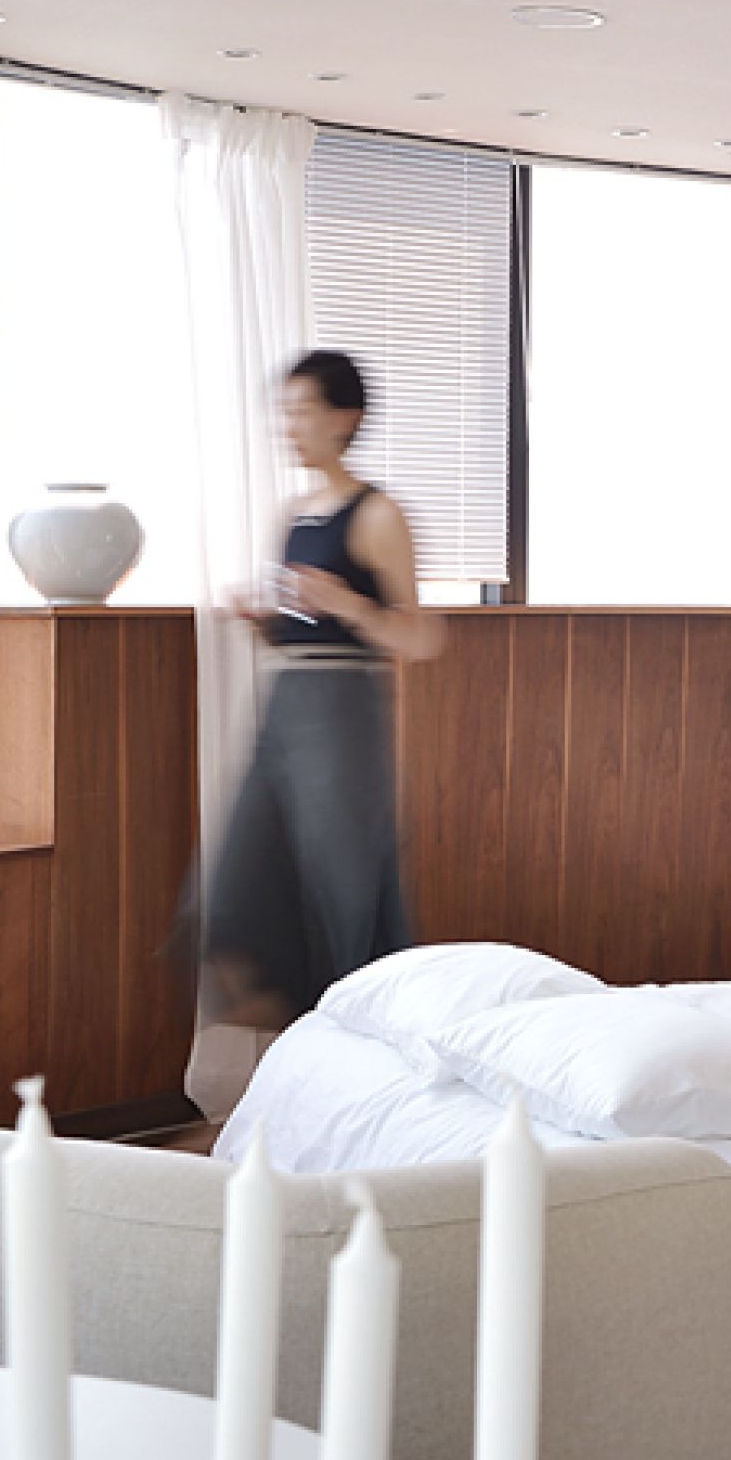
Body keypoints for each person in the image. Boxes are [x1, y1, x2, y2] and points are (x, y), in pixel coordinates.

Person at [199, 349, 444, 1030]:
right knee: (245, 877)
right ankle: (305, 1043)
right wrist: (263, 618)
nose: (290, 426)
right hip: (285, 708)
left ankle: (356, 1035)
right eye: (285, 412)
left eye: (303, 410)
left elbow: (422, 637)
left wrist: (347, 603)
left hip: (344, 715)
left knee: (341, 880)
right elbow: (299, 628)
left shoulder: (377, 514)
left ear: (345, 418)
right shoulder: (295, 514)